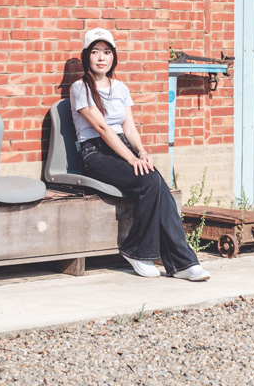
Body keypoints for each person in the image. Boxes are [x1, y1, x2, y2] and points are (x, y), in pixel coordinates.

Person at [70, 27, 210, 281]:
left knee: (158, 183)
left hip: (122, 147)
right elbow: (102, 128)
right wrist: (130, 158)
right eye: (95, 52)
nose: (101, 57)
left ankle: (181, 263)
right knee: (149, 181)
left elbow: (129, 127)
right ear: (86, 56)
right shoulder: (80, 88)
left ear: (113, 57)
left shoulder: (121, 87)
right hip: (94, 153)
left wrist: (142, 152)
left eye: (107, 52)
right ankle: (140, 251)